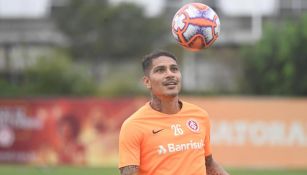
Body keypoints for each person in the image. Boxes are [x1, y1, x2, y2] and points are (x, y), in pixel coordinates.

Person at [118, 50, 230, 175]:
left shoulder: (200, 115)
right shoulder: (133, 125)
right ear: (147, 82)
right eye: (160, 70)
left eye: (174, 69)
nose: (170, 74)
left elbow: (208, 164)